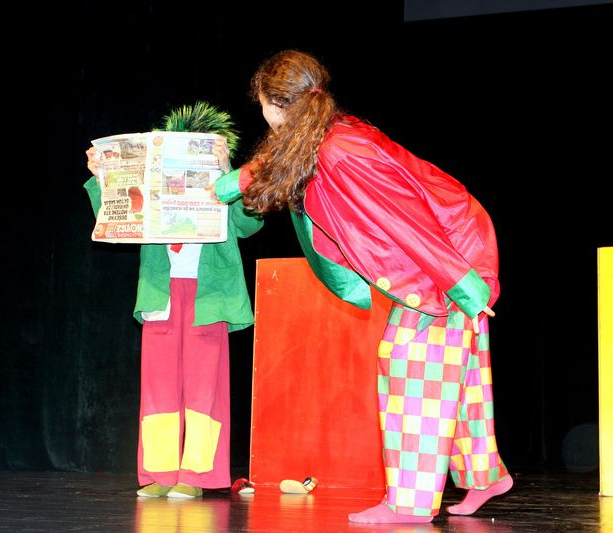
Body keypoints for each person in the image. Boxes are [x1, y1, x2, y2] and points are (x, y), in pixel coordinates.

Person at [213, 50, 512, 523]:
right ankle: (485, 476)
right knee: (457, 373)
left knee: (412, 370)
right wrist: (230, 182)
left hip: (446, 256)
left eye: (262, 106)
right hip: (444, 254)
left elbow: (406, 221)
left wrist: (462, 284)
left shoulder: (341, 150)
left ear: (274, 105)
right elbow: (275, 161)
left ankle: (409, 504)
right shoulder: (321, 133)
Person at [84, 102, 263, 498]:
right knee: (159, 386)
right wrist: (102, 177)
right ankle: (159, 473)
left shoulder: (224, 185)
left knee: (204, 387)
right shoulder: (153, 184)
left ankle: (197, 475)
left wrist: (228, 173)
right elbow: (115, 219)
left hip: (209, 296)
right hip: (161, 293)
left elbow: (250, 223)